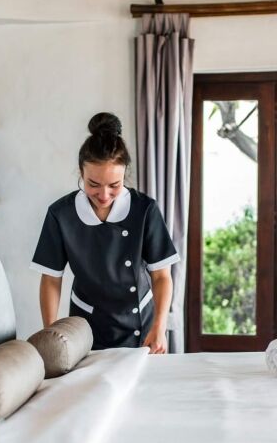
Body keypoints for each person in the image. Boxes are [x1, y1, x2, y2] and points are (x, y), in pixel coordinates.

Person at [30, 112, 179, 354]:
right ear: (81, 173)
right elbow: (51, 279)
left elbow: (162, 276)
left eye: (114, 186)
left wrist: (160, 326)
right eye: (94, 184)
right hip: (84, 328)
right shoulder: (61, 215)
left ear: (125, 175)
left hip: (142, 326)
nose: (104, 195)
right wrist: (50, 334)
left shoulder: (144, 210)